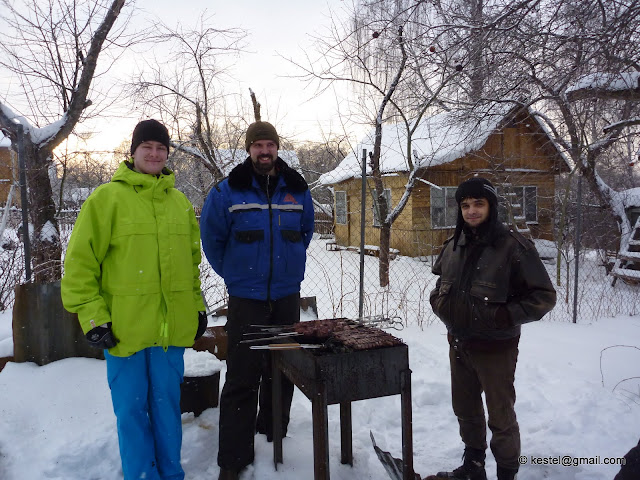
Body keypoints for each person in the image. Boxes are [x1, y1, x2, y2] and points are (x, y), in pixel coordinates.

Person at [61, 119, 208, 480]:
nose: (155, 153)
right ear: (134, 151)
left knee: (166, 410)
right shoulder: (106, 199)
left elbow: (191, 266)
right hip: (123, 331)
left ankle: (171, 474)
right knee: (131, 412)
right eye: (148, 147)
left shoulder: (180, 203)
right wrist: (94, 318)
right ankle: (142, 475)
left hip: (169, 332)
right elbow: (80, 264)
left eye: (161, 148)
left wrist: (198, 306)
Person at [200, 121, 314, 480]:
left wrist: (286, 271)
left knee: (282, 369)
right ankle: (233, 459)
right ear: (249, 149)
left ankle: (274, 432)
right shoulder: (226, 192)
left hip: (285, 296)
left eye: (270, 145)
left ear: (277, 148)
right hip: (246, 299)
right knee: (242, 375)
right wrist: (237, 277)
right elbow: (213, 241)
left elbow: (305, 234)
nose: (265, 151)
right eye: (258, 145)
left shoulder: (297, 190)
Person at [427, 177, 556, 480]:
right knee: (465, 408)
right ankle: (473, 465)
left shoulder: (512, 246)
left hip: (496, 348)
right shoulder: (454, 244)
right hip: (459, 343)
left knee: (500, 416)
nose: (471, 211)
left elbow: (543, 297)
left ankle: (506, 473)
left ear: (491, 206)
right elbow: (441, 282)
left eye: (478, 204)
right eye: (465, 205)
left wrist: (503, 317)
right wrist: (438, 302)